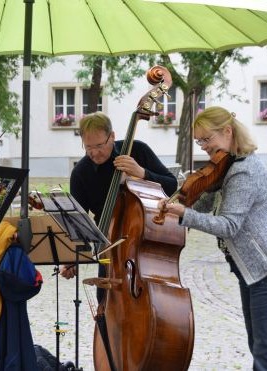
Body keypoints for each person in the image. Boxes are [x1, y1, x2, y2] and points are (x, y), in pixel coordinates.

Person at [157, 106, 267, 370]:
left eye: (207, 139)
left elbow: (229, 226)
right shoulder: (226, 166)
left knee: (263, 352)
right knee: (258, 345)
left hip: (262, 269)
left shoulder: (244, 171)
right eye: (199, 141)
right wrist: (175, 205)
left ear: (228, 132)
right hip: (249, 270)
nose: (203, 146)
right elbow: (204, 205)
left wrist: (184, 214)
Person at [60, 111, 178, 302]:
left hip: (142, 245)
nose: (94, 153)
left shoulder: (137, 150)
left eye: (99, 145)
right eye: (88, 147)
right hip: (108, 247)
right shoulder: (81, 173)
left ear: (112, 137)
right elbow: (79, 224)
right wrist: (74, 258)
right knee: (105, 304)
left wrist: (142, 173)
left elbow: (172, 186)